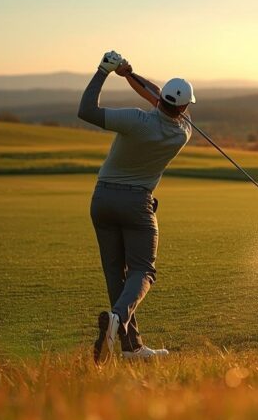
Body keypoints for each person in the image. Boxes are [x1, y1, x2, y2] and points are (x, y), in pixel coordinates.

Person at [77, 51, 194, 362]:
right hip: (137, 204)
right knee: (143, 270)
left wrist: (107, 71)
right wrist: (130, 75)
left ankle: (131, 346)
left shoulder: (134, 119)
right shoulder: (183, 132)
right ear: (183, 107)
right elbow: (156, 95)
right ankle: (118, 321)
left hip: (102, 199)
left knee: (116, 274)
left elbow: (86, 110)